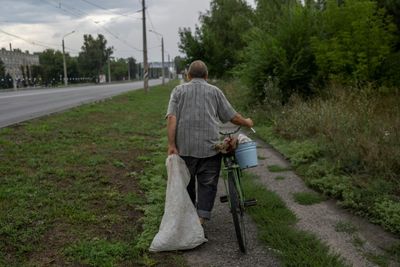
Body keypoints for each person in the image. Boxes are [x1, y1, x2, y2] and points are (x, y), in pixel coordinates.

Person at [166, 60, 253, 225]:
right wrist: (247, 122)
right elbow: (232, 117)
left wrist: (171, 145)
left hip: (185, 148)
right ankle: (201, 218)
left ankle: (190, 218)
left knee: (187, 183)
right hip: (210, 148)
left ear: (188, 75)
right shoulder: (215, 92)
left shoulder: (178, 91)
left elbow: (171, 118)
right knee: (208, 184)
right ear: (206, 76)